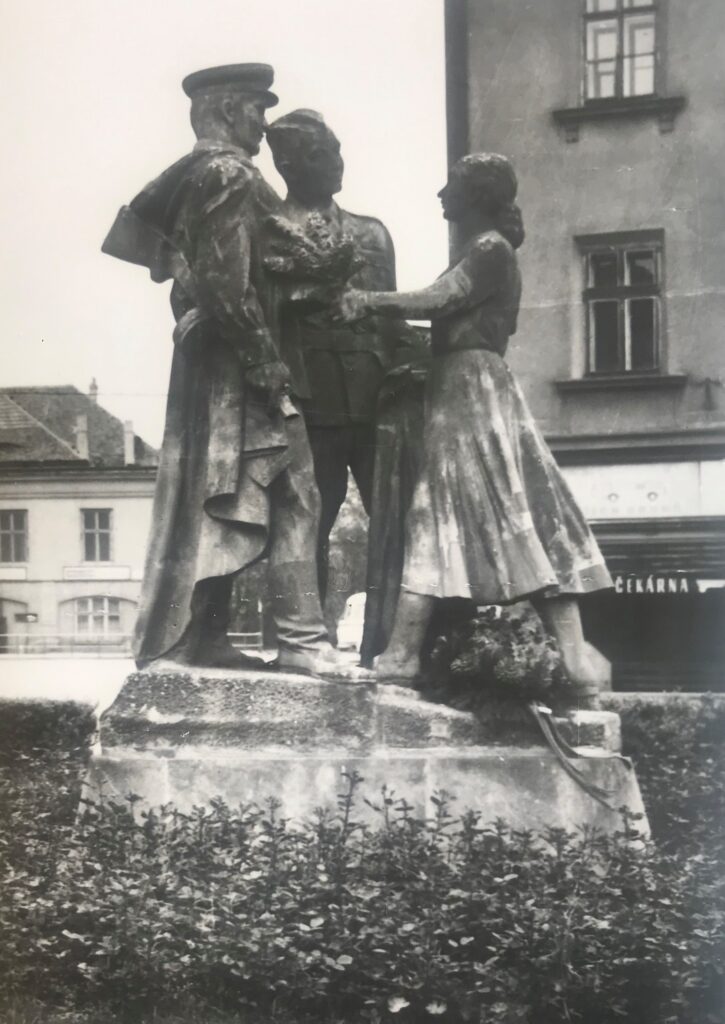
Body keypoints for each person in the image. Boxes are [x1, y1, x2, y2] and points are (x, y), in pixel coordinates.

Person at [103, 64, 369, 680]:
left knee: (217, 495)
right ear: (225, 111)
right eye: (255, 108)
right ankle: (302, 639)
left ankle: (199, 636)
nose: (262, 122)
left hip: (218, 362)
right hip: (240, 364)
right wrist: (264, 359)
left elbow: (223, 274)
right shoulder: (228, 172)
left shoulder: (197, 176)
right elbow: (227, 280)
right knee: (296, 490)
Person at [338, 153, 613, 705]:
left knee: (447, 513)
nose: (442, 193)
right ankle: (575, 659)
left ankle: (404, 654)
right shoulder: (480, 250)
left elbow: (443, 299)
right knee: (511, 514)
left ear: (478, 196)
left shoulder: (489, 250)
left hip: (469, 387)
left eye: (453, 186)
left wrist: (369, 301)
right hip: (463, 384)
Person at [264, 109, 410, 602]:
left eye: (336, 150)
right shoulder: (268, 230)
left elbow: (392, 321)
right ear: (285, 165)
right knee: (306, 526)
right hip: (311, 404)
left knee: (396, 519)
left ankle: (393, 644)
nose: (335, 163)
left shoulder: (373, 233)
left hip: (376, 401)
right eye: (318, 155)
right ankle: (302, 643)